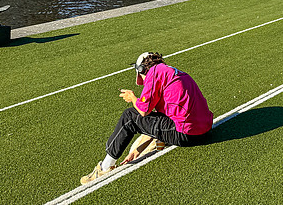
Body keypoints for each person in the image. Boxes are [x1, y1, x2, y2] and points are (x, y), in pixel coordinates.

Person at [80, 52, 213, 184]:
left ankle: (105, 167)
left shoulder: (155, 73)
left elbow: (143, 111)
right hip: (204, 131)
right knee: (155, 117)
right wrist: (137, 151)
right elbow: (153, 119)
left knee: (129, 116)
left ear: (142, 70)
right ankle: (161, 141)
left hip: (186, 134)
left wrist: (132, 98)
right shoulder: (172, 73)